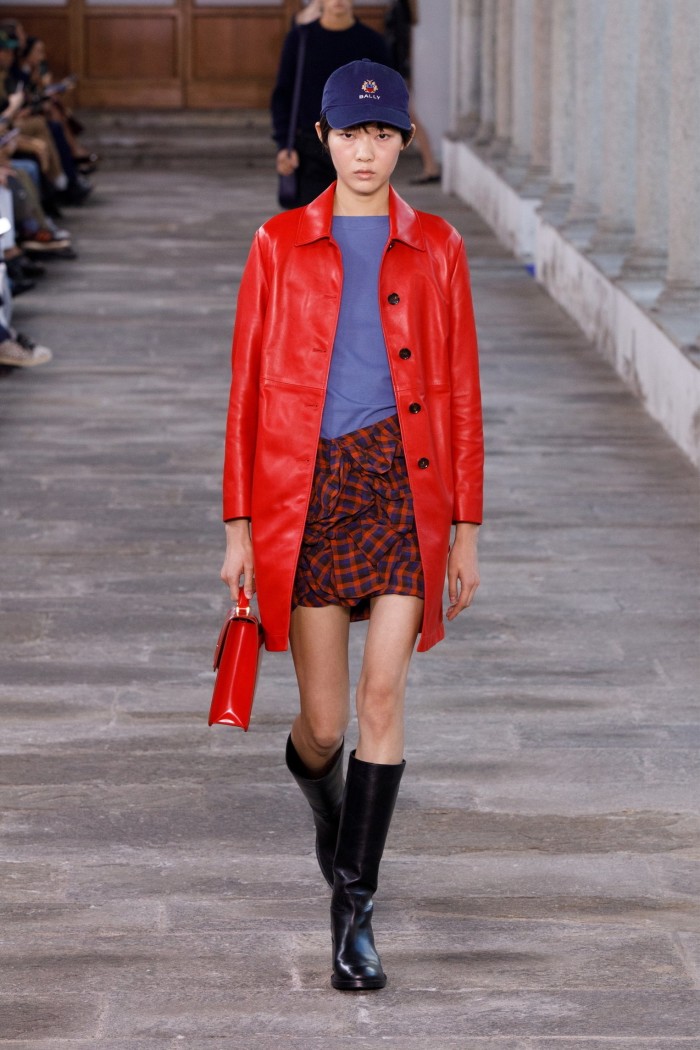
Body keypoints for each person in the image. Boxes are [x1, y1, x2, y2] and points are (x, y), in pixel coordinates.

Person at [222, 59, 483, 991]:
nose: (366, 150)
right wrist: (240, 524)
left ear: (403, 141)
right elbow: (247, 389)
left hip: (404, 486)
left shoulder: (440, 246)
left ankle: (354, 907)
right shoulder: (278, 241)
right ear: (324, 139)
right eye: (350, 133)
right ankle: (329, 812)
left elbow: (458, 393)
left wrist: (468, 528)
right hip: (306, 488)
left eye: (383, 134)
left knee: (384, 701)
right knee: (326, 726)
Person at [271, 0, 391, 207]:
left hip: (360, 147)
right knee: (312, 225)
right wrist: (284, 145)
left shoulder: (372, 43)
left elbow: (387, 99)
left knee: (358, 223)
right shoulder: (300, 39)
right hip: (311, 147)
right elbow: (283, 96)